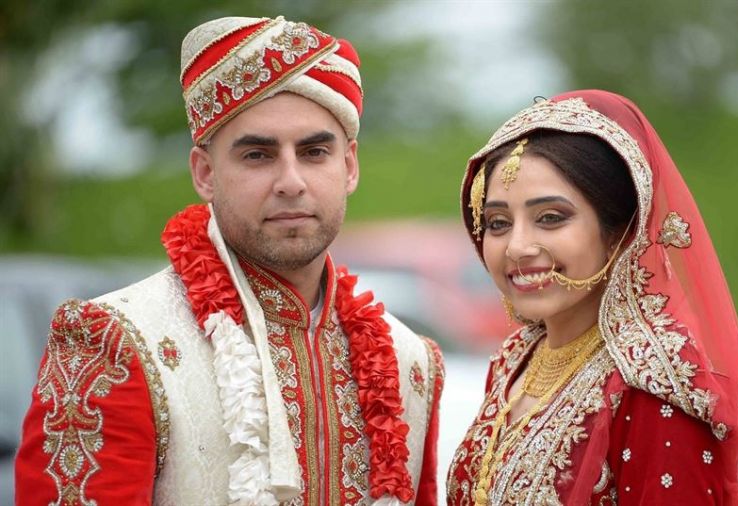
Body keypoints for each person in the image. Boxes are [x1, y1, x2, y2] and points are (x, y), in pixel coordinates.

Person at [15, 15, 444, 506]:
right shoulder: (117, 343)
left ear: (348, 166)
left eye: (314, 152)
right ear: (204, 173)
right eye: (258, 155)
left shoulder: (411, 364)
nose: (291, 181)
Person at [447, 90, 738, 505]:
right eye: (498, 223)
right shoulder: (514, 361)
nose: (517, 247)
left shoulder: (653, 389)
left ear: (619, 234)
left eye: (550, 218)